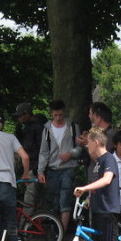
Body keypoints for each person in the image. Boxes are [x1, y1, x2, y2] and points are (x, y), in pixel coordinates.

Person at [74, 127, 121, 241]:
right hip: (97, 209)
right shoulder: (97, 163)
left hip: (108, 210)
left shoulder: (109, 159)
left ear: (96, 142)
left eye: (88, 143)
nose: (87, 146)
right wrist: (89, 198)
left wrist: (85, 188)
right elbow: (97, 185)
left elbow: (107, 180)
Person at [38, 99, 81, 232]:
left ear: (64, 112)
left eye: (60, 115)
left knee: (65, 200)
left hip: (68, 168)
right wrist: (40, 171)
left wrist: (71, 154)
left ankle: (62, 232)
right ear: (51, 113)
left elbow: (79, 147)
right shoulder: (47, 129)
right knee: (54, 201)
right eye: (55, 115)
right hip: (53, 169)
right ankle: (55, 230)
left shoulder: (72, 127)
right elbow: (44, 152)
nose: (58, 118)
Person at [13, 103, 44, 215]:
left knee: (29, 197)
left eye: (20, 116)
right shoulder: (27, 127)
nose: (18, 118)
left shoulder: (38, 128)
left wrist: (36, 168)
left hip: (33, 166)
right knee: (28, 196)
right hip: (28, 165)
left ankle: (27, 221)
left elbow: (41, 150)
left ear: (26, 114)